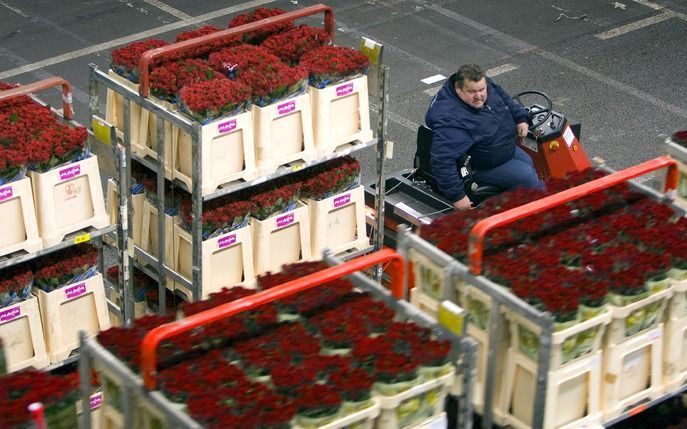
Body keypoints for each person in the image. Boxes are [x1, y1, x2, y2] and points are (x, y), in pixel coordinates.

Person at [425, 64, 545, 209]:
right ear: (458, 87)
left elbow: (503, 97)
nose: (479, 96)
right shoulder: (451, 119)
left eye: (482, 90)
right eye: (472, 92)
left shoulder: (482, 83)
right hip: (480, 166)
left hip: (502, 149)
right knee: (528, 179)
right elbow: (441, 160)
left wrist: (520, 118)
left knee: (529, 163)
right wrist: (457, 196)